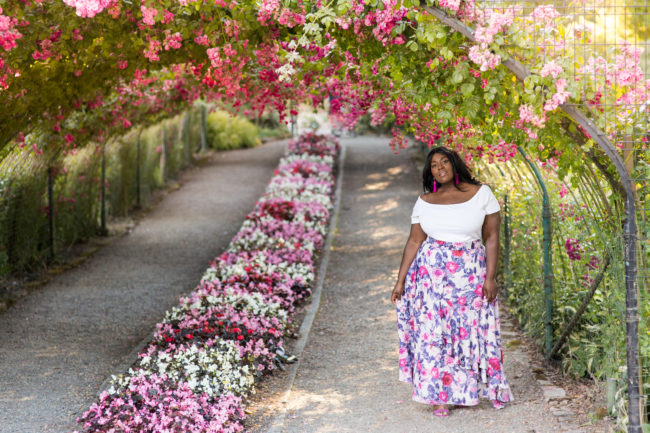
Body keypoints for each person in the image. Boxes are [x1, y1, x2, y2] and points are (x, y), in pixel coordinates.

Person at [391, 146, 513, 417]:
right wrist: (400, 281)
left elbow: (491, 237)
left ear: (455, 164)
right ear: (429, 171)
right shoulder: (424, 201)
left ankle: (464, 391)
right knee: (435, 334)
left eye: (445, 162)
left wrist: (490, 278)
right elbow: (414, 241)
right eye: (434, 165)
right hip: (430, 278)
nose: (440, 167)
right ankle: (439, 395)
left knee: (465, 333)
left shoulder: (481, 194)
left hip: (470, 274)